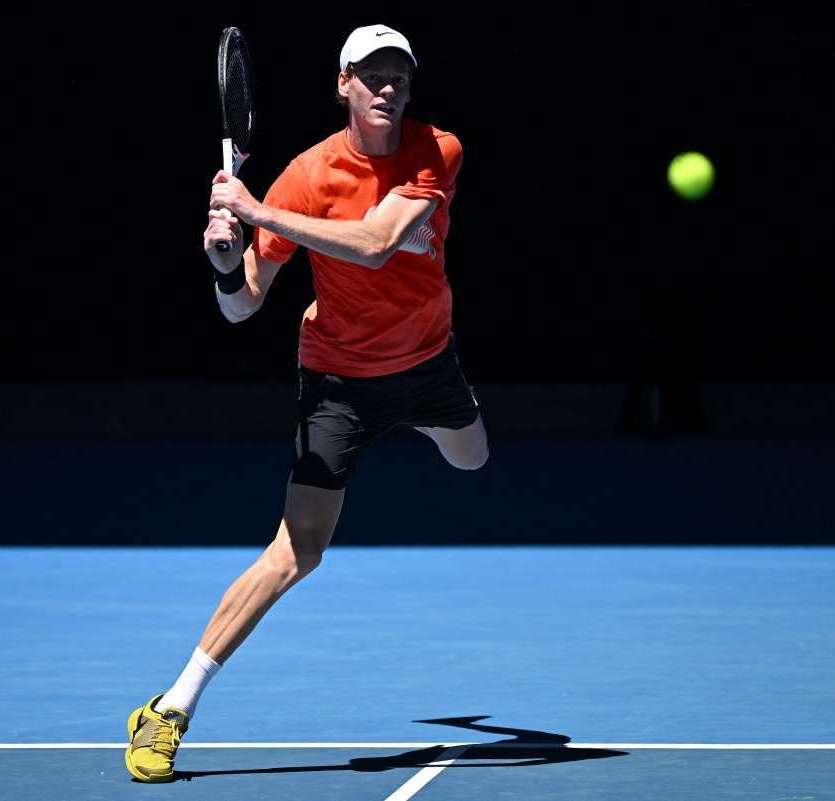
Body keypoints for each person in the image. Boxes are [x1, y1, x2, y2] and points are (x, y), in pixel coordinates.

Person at [124, 23, 489, 783]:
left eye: (400, 75)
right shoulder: (306, 172)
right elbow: (243, 307)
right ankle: (170, 709)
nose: (388, 87)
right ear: (343, 84)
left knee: (473, 458)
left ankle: (420, 420)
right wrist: (227, 264)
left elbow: (378, 241)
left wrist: (254, 214)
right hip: (340, 379)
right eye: (372, 74)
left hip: (425, 363)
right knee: (298, 551)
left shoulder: (436, 150)